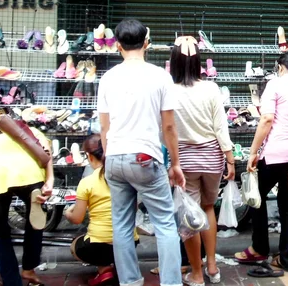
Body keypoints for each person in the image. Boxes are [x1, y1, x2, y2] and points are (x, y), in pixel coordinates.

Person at [98, 19, 185, 286]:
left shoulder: (108, 77)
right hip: (146, 157)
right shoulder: (160, 76)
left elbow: (104, 126)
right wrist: (176, 164)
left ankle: (130, 282)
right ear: (146, 43)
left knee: (122, 225)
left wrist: (107, 157)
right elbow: (169, 126)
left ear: (117, 45)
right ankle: (170, 282)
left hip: (114, 156)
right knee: (165, 224)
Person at [235, 53, 288, 273]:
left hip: (275, 154)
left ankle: (260, 247)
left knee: (255, 196)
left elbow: (267, 119)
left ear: (280, 67)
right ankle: (286, 259)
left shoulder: (275, 84)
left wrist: (252, 152)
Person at [169, 36, 236, 286]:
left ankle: (196, 274)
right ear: (198, 62)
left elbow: (166, 130)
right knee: (208, 209)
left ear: (174, 62)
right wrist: (230, 160)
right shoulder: (210, 88)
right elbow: (221, 129)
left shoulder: (169, 91)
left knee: (190, 216)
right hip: (212, 159)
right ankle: (212, 266)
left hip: (184, 161)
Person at [65, 134, 139, 285]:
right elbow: (135, 206)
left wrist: (67, 213)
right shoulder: (126, 178)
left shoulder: (87, 182)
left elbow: (77, 218)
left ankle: (104, 269)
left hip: (98, 246)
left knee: (75, 246)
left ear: (89, 156)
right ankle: (119, 264)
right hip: (130, 241)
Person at [0, 122, 53, 286]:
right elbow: (46, 154)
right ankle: (29, 268)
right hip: (29, 174)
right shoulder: (34, 131)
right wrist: (49, 180)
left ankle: (12, 281)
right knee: (36, 220)